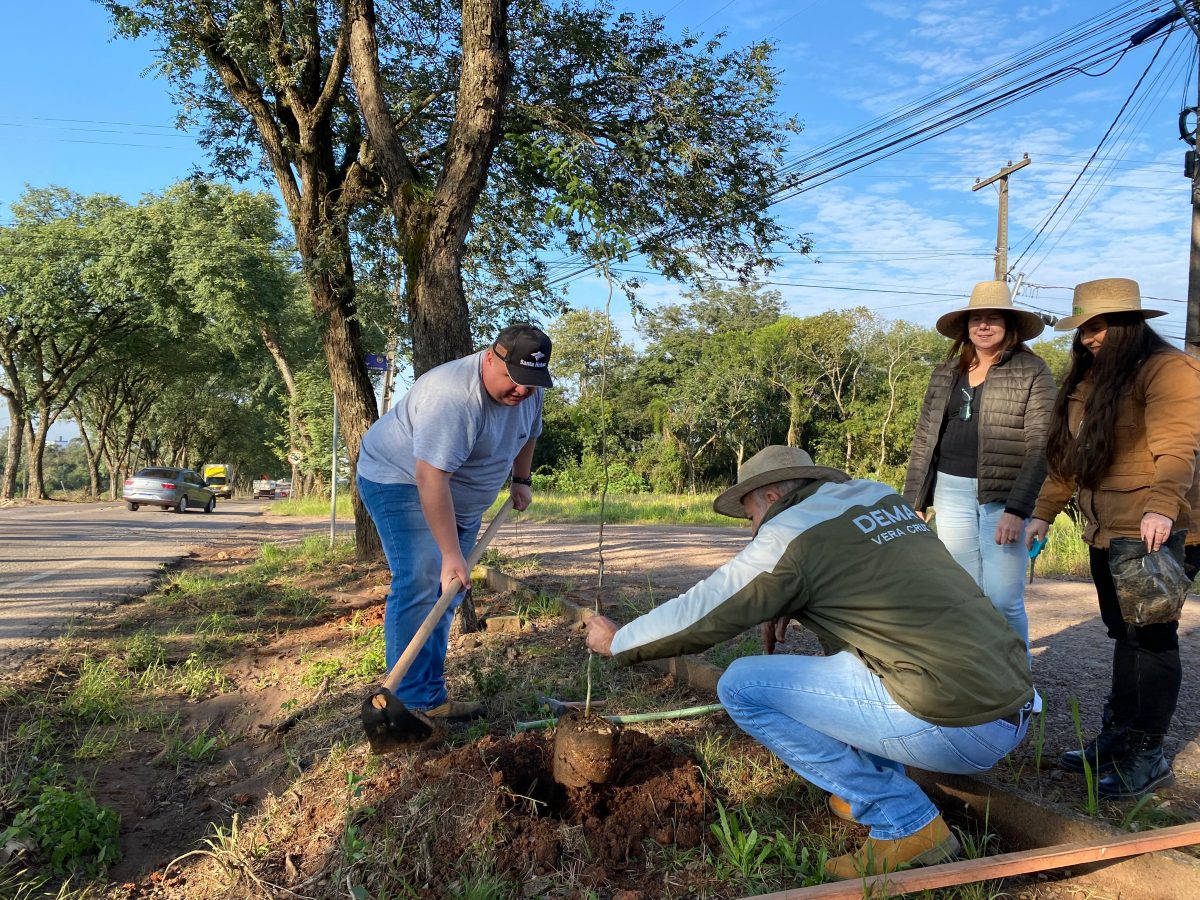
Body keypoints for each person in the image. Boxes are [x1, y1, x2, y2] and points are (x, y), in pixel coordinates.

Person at [585, 445, 1034, 880]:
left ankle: (905, 820)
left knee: (741, 685)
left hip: (953, 725)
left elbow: (701, 611)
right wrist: (788, 599)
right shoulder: (876, 497)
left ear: (772, 497)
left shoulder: (788, 532)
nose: (752, 530)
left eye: (751, 517)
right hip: (1009, 706)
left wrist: (620, 639)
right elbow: (869, 598)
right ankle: (863, 787)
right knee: (864, 655)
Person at [1026, 278, 1200, 798]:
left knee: (1150, 639)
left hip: (1153, 527)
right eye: (1082, 328)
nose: (1087, 338)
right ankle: (1119, 738)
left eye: (1097, 326)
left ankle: (1148, 755)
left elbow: (1178, 447)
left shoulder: (1170, 370)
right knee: (1123, 636)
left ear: (1129, 323)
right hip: (1106, 530)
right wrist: (1043, 513)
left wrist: (1161, 507)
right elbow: (1067, 459)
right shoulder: (1089, 380)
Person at [356, 323, 553, 720]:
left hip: (458, 499)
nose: (522, 391)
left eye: (531, 383)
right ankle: (410, 704)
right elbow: (431, 477)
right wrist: (449, 553)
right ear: (490, 357)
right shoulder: (451, 397)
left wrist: (521, 479)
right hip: (401, 480)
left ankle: (427, 695)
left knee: (450, 590)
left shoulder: (530, 391)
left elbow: (529, 434)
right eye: (514, 379)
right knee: (424, 577)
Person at [903, 280, 1056, 649]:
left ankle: (1018, 688)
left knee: (1003, 597)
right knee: (965, 595)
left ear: (1009, 326)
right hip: (950, 491)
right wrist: (914, 502)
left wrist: (1018, 510)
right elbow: (924, 439)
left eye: (993, 319)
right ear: (966, 327)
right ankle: (979, 684)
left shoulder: (1032, 371)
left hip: (1003, 498)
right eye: (976, 319)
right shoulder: (945, 372)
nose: (983, 326)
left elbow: (1041, 446)